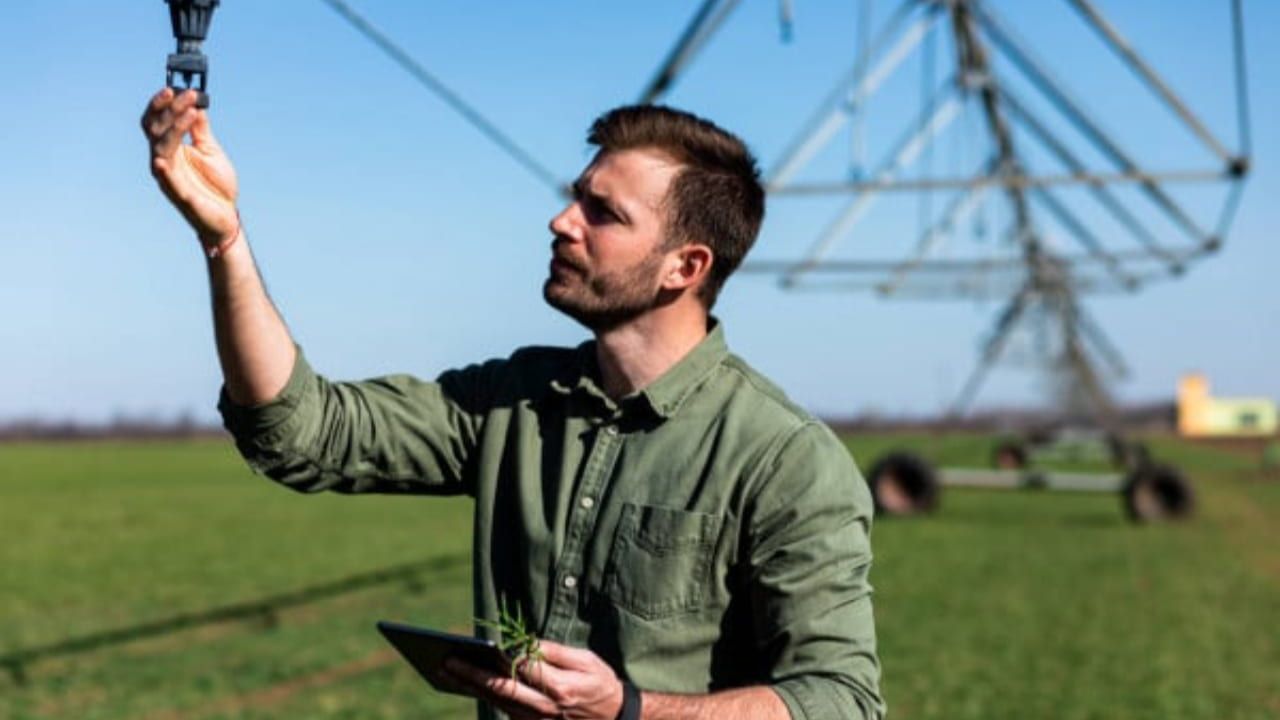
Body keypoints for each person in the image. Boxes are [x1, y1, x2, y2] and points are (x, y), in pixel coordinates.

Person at [141, 86, 885, 720]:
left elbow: (840, 698)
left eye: (604, 213)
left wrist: (628, 709)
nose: (564, 221)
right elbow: (303, 432)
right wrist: (224, 240)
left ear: (684, 267)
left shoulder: (786, 460)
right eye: (575, 198)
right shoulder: (513, 400)